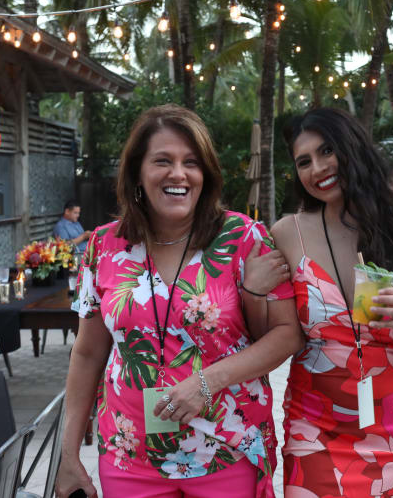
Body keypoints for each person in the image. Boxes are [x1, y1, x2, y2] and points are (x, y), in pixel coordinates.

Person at [55, 104, 303, 498]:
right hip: (129, 452)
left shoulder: (244, 239)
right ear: (138, 171)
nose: (178, 174)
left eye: (191, 162)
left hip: (227, 447)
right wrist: (67, 454)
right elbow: (87, 354)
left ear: (205, 174)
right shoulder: (103, 246)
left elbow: (288, 335)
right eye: (162, 161)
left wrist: (207, 382)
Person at [245, 107, 393, 497]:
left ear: (353, 148)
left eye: (328, 151)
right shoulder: (288, 234)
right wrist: (253, 290)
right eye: (304, 161)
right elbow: (266, 335)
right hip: (316, 428)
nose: (317, 168)